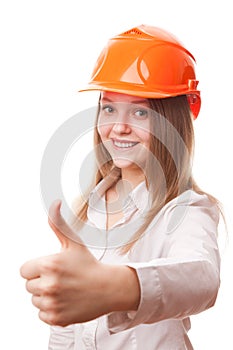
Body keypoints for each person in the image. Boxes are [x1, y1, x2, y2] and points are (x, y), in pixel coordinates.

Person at [20, 25, 221, 349]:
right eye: (109, 108)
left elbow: (202, 279)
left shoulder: (186, 210)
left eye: (141, 111)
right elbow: (67, 326)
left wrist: (118, 286)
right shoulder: (89, 207)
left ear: (174, 122)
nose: (118, 127)